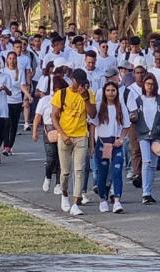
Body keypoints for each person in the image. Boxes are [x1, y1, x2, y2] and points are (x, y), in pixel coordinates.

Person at [53, 68, 96, 216]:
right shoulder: (62, 93)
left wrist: (85, 98)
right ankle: (64, 194)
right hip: (65, 136)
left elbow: (92, 114)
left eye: (77, 83)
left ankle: (76, 203)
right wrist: (62, 134)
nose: (75, 85)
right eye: (73, 82)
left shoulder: (88, 94)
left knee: (79, 170)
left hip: (81, 136)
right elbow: (54, 116)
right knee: (65, 172)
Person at [93, 80, 130, 213]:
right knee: (102, 173)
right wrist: (93, 142)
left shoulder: (121, 107)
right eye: (108, 90)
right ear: (104, 92)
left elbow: (126, 126)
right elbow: (93, 123)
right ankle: (103, 199)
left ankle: (117, 200)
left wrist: (121, 139)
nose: (110, 93)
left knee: (117, 171)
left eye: (113, 90)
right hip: (102, 143)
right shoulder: (99, 107)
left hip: (116, 143)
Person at [133, 73, 160, 205]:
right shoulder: (138, 100)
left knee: (153, 165)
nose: (150, 86)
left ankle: (149, 191)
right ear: (143, 85)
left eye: (152, 84)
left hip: (156, 135)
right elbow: (134, 117)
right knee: (146, 161)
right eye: (148, 84)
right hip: (143, 134)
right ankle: (145, 193)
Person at [32, 71, 64, 185]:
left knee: (61, 160)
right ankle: (48, 176)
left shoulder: (64, 101)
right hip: (49, 130)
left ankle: (59, 184)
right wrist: (34, 131)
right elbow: (37, 117)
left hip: (62, 130)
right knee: (51, 158)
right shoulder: (45, 100)